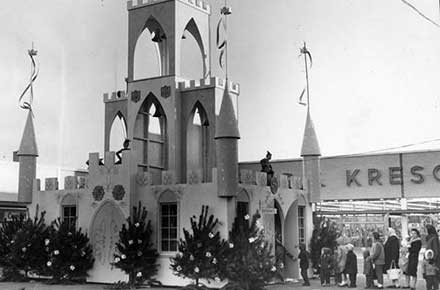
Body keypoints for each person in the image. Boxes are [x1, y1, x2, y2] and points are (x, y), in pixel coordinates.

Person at [426, 224, 440, 290]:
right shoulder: (432, 237)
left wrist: (433, 258)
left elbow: (436, 250)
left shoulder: (433, 238)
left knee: (434, 277)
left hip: (433, 260)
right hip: (430, 258)